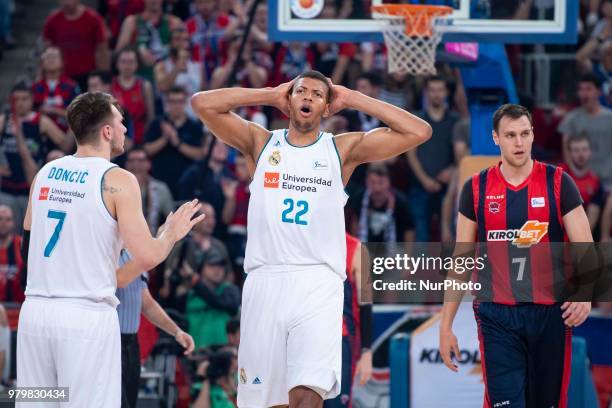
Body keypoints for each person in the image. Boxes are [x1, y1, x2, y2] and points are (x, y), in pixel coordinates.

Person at [191, 69, 431, 407]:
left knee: (307, 394)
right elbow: (203, 104)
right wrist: (268, 93)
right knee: (268, 401)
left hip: (318, 283)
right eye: (301, 91)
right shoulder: (261, 143)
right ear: (289, 100)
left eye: (318, 94)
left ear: (328, 107)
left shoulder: (340, 150)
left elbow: (419, 130)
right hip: (266, 280)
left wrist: (354, 99)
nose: (308, 98)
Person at [17, 91, 205, 406]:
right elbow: (147, 256)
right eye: (120, 122)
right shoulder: (118, 180)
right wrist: (170, 233)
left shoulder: (44, 173)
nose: (125, 130)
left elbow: (27, 249)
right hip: (85, 318)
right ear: (106, 131)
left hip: (35, 315)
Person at [439, 104, 593, 408]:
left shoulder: (559, 182)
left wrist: (586, 292)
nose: (519, 142)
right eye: (510, 135)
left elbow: (585, 243)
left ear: (534, 134)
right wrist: (446, 326)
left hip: (550, 314)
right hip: (497, 316)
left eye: (525, 134)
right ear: (496, 138)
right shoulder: (476, 188)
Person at [116, 249, 195, 408]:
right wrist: (163, 240)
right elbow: (120, 279)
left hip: (131, 343)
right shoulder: (106, 250)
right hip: (109, 341)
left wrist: (176, 331)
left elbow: (146, 303)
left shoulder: (134, 254)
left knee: (129, 402)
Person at [0, 82, 72, 227]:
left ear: (32, 100)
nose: (20, 103)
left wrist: (70, 121)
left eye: (24, 99)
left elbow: (65, 145)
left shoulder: (40, 121)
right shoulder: (4, 120)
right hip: (6, 188)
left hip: (31, 188)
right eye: (16, 99)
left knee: (28, 232)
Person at [407, 75, 458, 241]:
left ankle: (449, 268)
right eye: (432, 90)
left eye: (440, 90)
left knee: (450, 235)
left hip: (448, 186)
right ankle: (420, 268)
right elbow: (410, 152)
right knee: (420, 237)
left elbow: (461, 154)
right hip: (419, 187)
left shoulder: (455, 120)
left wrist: (452, 170)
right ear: (426, 93)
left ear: (446, 93)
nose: (436, 94)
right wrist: (424, 180)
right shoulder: (416, 119)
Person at [324, 233, 372, 408]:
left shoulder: (357, 249)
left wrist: (367, 351)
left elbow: (366, 304)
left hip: (340, 341)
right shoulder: (305, 241)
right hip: (307, 336)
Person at [143, 86, 207, 197]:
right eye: (172, 101)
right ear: (167, 103)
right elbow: (146, 150)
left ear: (185, 103)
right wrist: (164, 139)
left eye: (179, 101)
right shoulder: (157, 123)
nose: (176, 105)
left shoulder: (194, 126)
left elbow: (200, 154)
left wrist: (177, 143)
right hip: (159, 181)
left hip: (186, 183)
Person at [558, 73, 612, 189]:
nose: (584, 93)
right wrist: (574, 173)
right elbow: (566, 149)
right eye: (581, 89)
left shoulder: (610, 118)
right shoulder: (571, 118)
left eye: (588, 89)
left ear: (599, 92)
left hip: (608, 181)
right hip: (582, 181)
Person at [42, 0, 109, 90]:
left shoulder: (93, 19)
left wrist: (104, 76)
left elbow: (102, 50)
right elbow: (47, 50)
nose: (67, 3)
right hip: (62, 76)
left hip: (88, 76)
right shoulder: (52, 20)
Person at [186, 249, 241, 349]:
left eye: (221, 266)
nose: (218, 269)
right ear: (201, 267)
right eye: (212, 265)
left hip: (223, 354)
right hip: (192, 353)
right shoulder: (189, 294)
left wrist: (196, 282)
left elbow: (219, 302)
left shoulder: (230, 291)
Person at [561, 133, 605, 234]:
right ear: (569, 152)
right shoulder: (557, 175)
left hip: (580, 238)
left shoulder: (596, 182)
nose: (581, 154)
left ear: (590, 152)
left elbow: (591, 220)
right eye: (576, 150)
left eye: (584, 149)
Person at [125, 147, 174, 235]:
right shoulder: (118, 188)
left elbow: (172, 220)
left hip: (152, 239)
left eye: (140, 160)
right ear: (126, 165)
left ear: (149, 164)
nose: (136, 165)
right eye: (131, 161)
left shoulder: (160, 189)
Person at [111, 47, 155, 146]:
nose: (127, 66)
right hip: (117, 139)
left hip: (140, 139)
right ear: (117, 64)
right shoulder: (111, 86)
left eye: (131, 62)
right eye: (123, 62)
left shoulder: (144, 86)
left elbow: (150, 116)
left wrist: (144, 138)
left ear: (137, 64)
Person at [31, 46, 80, 132]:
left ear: (62, 62)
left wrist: (54, 110)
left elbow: (79, 114)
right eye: (47, 57)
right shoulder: (34, 88)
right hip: (40, 133)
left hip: (68, 132)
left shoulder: (72, 86)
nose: (51, 59)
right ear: (41, 63)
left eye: (54, 56)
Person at [0, 205, 24, 303]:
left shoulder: (22, 245)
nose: (3, 223)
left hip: (18, 308)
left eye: (8, 219)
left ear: (13, 223)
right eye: (0, 219)